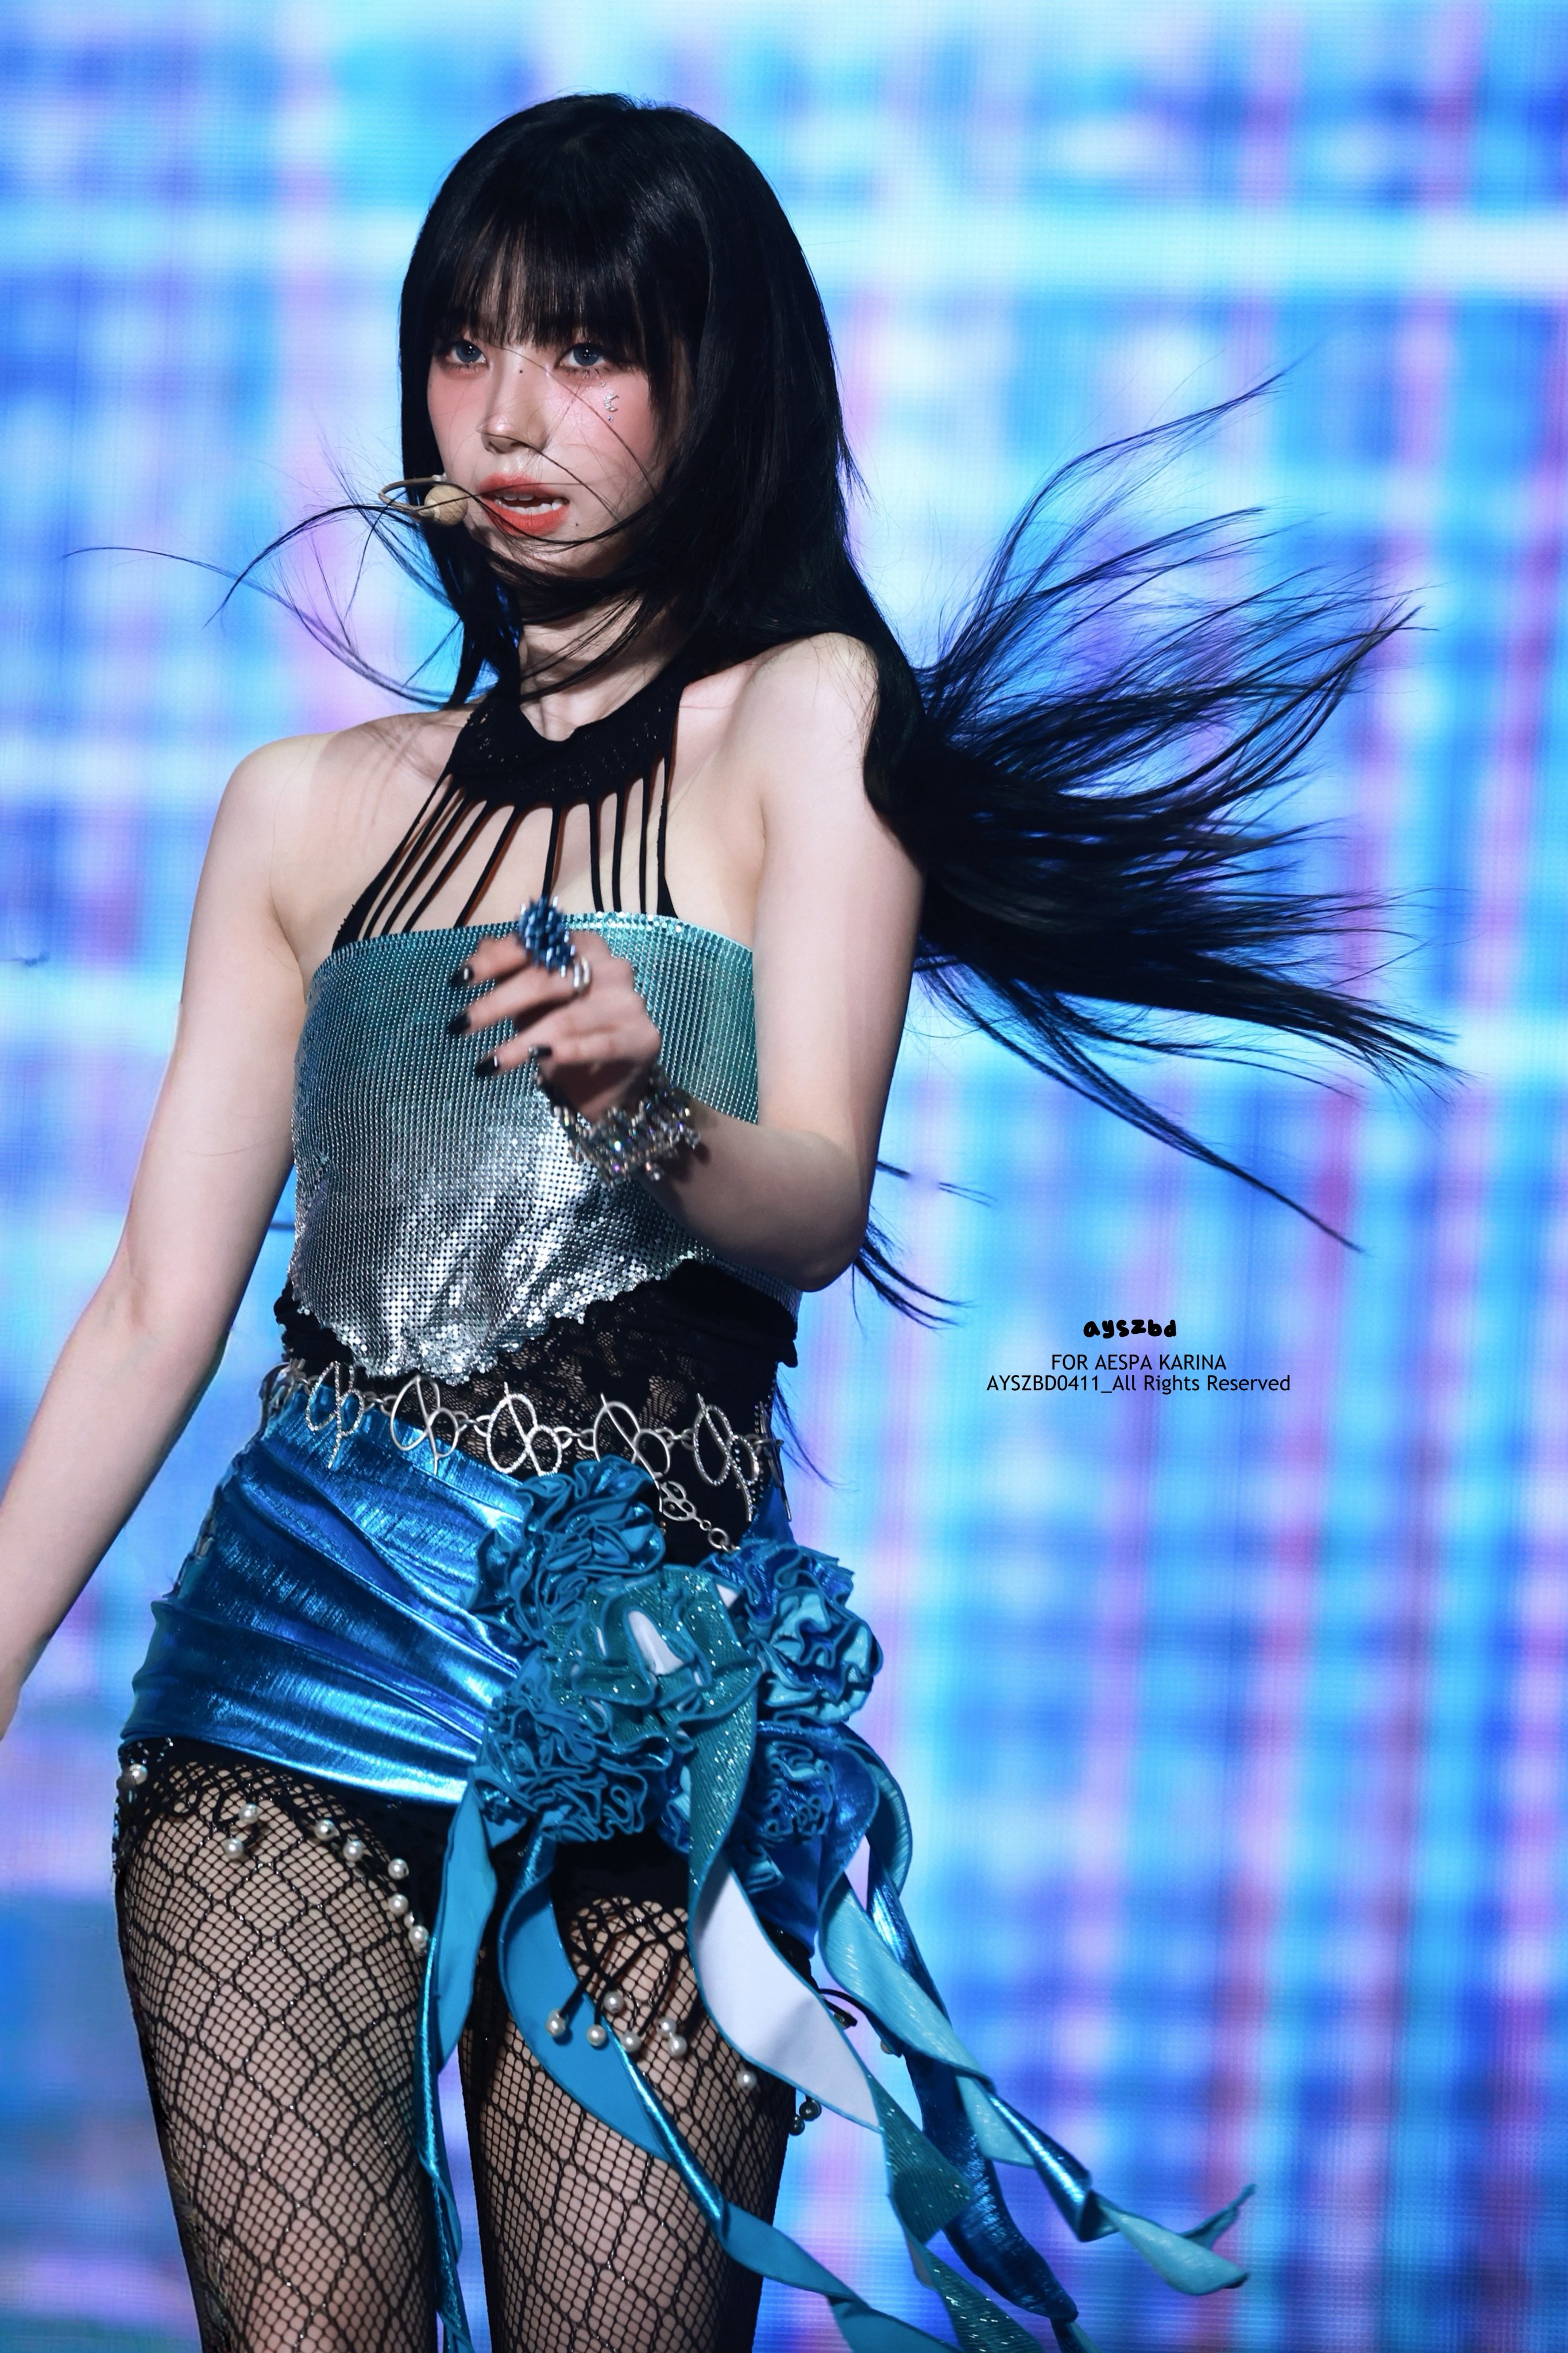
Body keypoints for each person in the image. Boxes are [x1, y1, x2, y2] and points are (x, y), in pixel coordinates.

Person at [0, 95, 1439, 2353]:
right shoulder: (295, 810)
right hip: (275, 1685)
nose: (504, 415)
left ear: (714, 381)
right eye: (462, 347)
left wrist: (647, 1099)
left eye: (584, 351)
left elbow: (809, 1201)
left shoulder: (806, 723)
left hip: (644, 1708)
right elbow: (156, 1302)